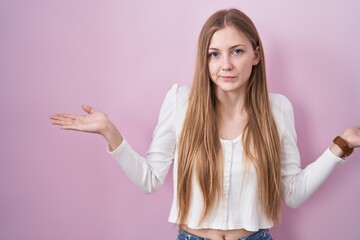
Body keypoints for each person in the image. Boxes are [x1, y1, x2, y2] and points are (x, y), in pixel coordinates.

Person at [50, 8, 360, 240]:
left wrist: (341, 145)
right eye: (215, 54)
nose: (225, 64)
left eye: (236, 51)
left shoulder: (277, 109)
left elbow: (291, 193)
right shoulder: (180, 102)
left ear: (255, 55)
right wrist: (110, 132)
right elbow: (150, 180)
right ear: (206, 59)